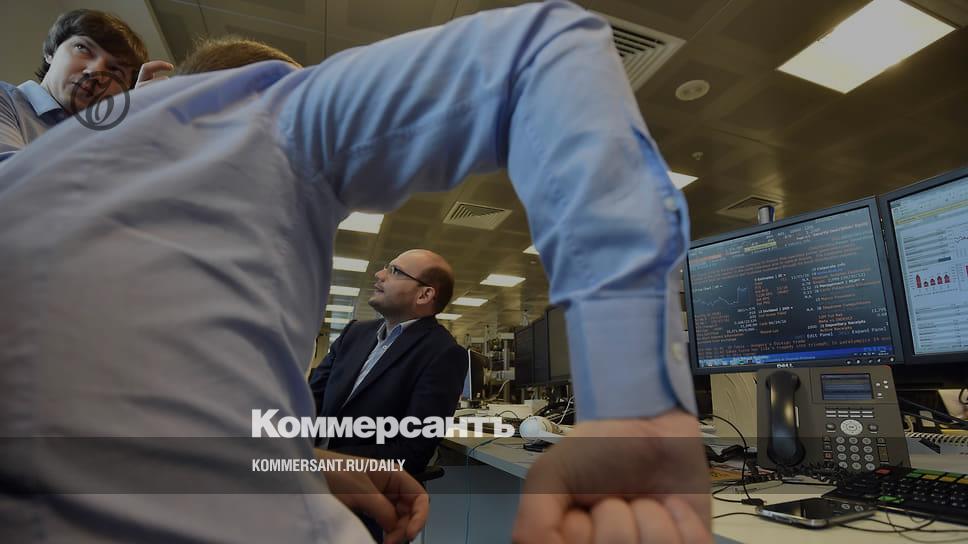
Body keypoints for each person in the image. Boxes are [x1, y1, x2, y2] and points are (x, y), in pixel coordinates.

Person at [0, 2, 710, 543]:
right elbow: (546, 51)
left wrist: (304, 460)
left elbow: (163, 426)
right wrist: (635, 414)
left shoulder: (26, 181)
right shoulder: (265, 108)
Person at [309, 249, 467, 541]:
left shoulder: (443, 353)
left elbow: (413, 449)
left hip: (371, 500)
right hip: (306, 484)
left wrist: (329, 466)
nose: (379, 274)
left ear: (424, 294)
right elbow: (310, 400)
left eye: (395, 271)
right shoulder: (355, 333)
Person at [0, 9, 172, 163]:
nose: (95, 71)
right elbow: (9, 180)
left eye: (115, 70)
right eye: (82, 48)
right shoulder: (6, 100)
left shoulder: (114, 137)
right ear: (50, 52)